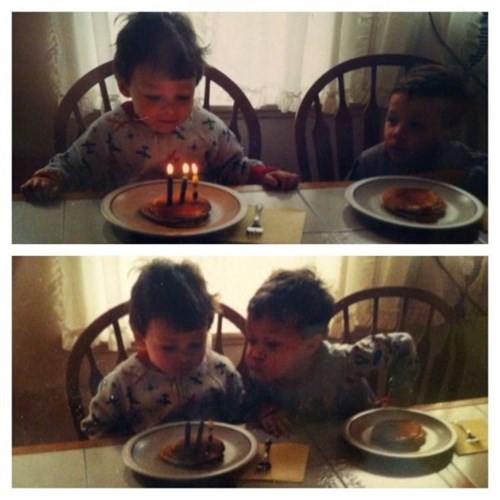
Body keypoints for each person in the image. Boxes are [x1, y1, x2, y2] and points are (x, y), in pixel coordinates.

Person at [21, 13, 298, 201]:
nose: (170, 110)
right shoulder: (110, 129)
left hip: (195, 227)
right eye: (154, 97)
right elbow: (74, 166)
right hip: (128, 228)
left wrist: (262, 174)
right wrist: (50, 178)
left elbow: (234, 166)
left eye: (182, 97)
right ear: (125, 87)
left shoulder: (207, 128)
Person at [243, 268, 419, 437]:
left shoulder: (347, 362)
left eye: (272, 344)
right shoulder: (261, 372)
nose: (255, 354)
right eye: (252, 340)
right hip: (305, 448)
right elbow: (253, 401)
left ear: (312, 344)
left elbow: (403, 344)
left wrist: (399, 398)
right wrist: (266, 410)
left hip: (363, 440)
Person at [80, 259, 244, 438]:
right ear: (140, 339)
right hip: (146, 455)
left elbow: (243, 415)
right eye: (169, 348)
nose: (184, 357)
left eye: (196, 344)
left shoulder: (221, 371)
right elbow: (94, 428)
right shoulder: (122, 381)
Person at [348, 64, 487, 205]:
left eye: (416, 125)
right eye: (392, 119)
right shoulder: (369, 163)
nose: (397, 132)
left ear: (446, 131)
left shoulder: (456, 156)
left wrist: (456, 176)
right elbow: (346, 197)